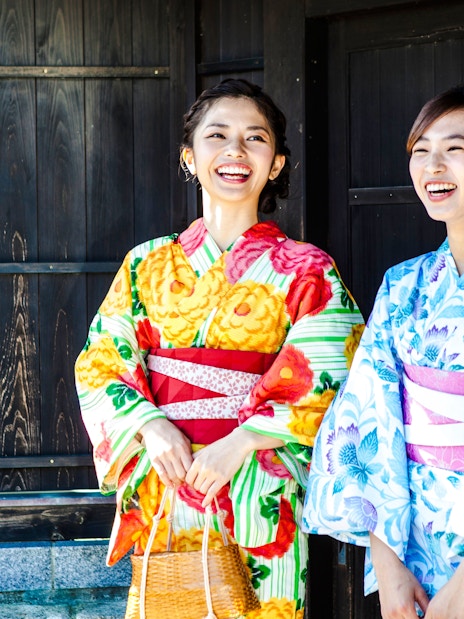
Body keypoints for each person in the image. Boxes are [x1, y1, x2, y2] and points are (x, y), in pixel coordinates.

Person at [75, 78, 363, 619]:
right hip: (169, 475)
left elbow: (335, 370)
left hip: (257, 482)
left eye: (255, 139)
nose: (235, 152)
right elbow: (101, 362)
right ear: (190, 156)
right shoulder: (145, 265)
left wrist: (243, 440)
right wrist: (150, 427)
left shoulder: (307, 269)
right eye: (218, 136)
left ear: (275, 163)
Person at [302, 84, 464, 619]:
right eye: (421, 150)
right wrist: (388, 561)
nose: (433, 165)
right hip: (417, 543)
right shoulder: (404, 286)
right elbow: (366, 418)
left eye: (456, 148)